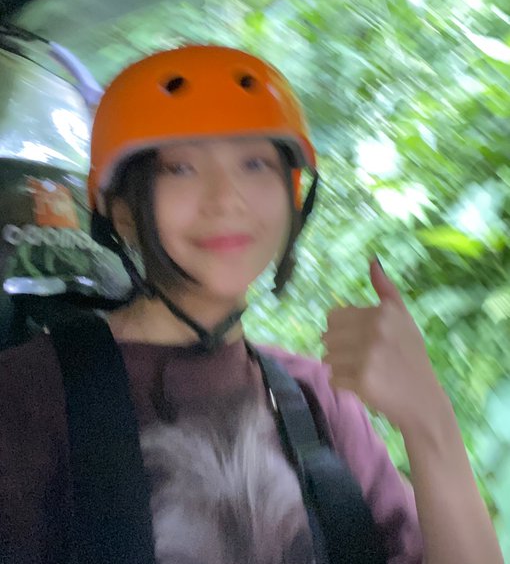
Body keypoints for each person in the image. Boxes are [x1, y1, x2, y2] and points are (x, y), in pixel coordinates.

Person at [0, 44, 503, 564]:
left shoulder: (319, 399)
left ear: (292, 196)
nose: (227, 199)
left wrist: (429, 420)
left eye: (255, 163)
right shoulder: (26, 399)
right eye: (180, 168)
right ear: (120, 210)